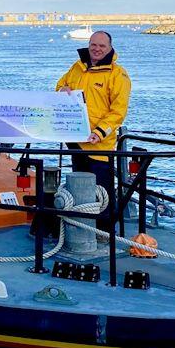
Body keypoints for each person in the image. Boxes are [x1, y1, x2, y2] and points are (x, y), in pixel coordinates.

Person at [56, 30, 131, 230]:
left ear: (110, 47)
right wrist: (61, 90)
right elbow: (60, 86)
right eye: (93, 45)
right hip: (75, 141)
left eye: (101, 46)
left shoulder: (118, 74)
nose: (96, 49)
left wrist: (99, 132)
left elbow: (118, 111)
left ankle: (104, 234)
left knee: (101, 193)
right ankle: (81, 228)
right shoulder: (77, 68)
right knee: (78, 191)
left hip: (100, 147)